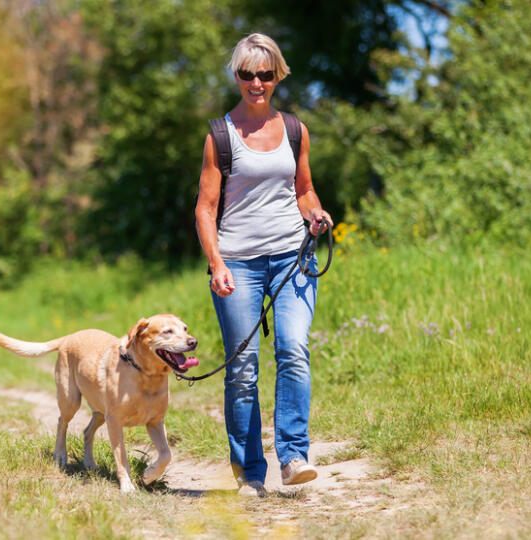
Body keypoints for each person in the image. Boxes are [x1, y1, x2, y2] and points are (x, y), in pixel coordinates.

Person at [194, 33, 332, 497]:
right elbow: (205, 208)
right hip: (238, 262)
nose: (257, 82)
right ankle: (250, 472)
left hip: (292, 258)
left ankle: (293, 458)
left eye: (266, 74)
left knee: (293, 349)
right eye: (248, 73)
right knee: (244, 367)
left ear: (277, 76)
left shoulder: (294, 129)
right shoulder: (221, 135)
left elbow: (303, 190)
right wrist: (216, 263)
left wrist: (315, 214)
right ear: (236, 76)